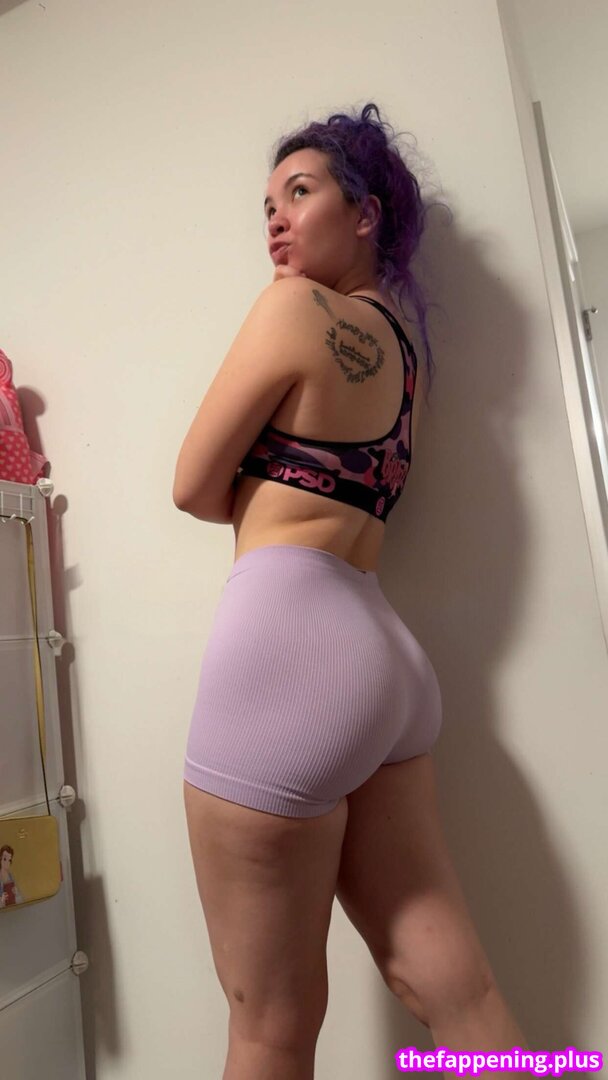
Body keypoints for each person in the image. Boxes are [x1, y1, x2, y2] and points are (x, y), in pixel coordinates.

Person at [174, 102, 530, 1080]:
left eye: (300, 192)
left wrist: (256, 488)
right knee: (459, 994)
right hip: (384, 663)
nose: (276, 221)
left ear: (365, 213)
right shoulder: (406, 357)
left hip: (284, 649)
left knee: (269, 1029)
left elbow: (191, 486)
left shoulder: (292, 308)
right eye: (266, 206)